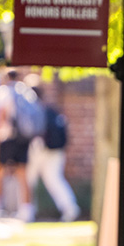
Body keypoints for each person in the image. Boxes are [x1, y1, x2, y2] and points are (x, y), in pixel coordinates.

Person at [26, 79, 80, 222]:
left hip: (40, 149)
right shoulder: (50, 109)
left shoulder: (35, 109)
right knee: (54, 180)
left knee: (29, 179)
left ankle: (27, 210)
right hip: (55, 150)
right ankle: (70, 209)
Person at [0, 67, 35, 220]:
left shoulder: (3, 92)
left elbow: (0, 117)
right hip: (24, 138)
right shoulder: (26, 91)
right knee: (23, 174)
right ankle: (27, 211)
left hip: (7, 138)